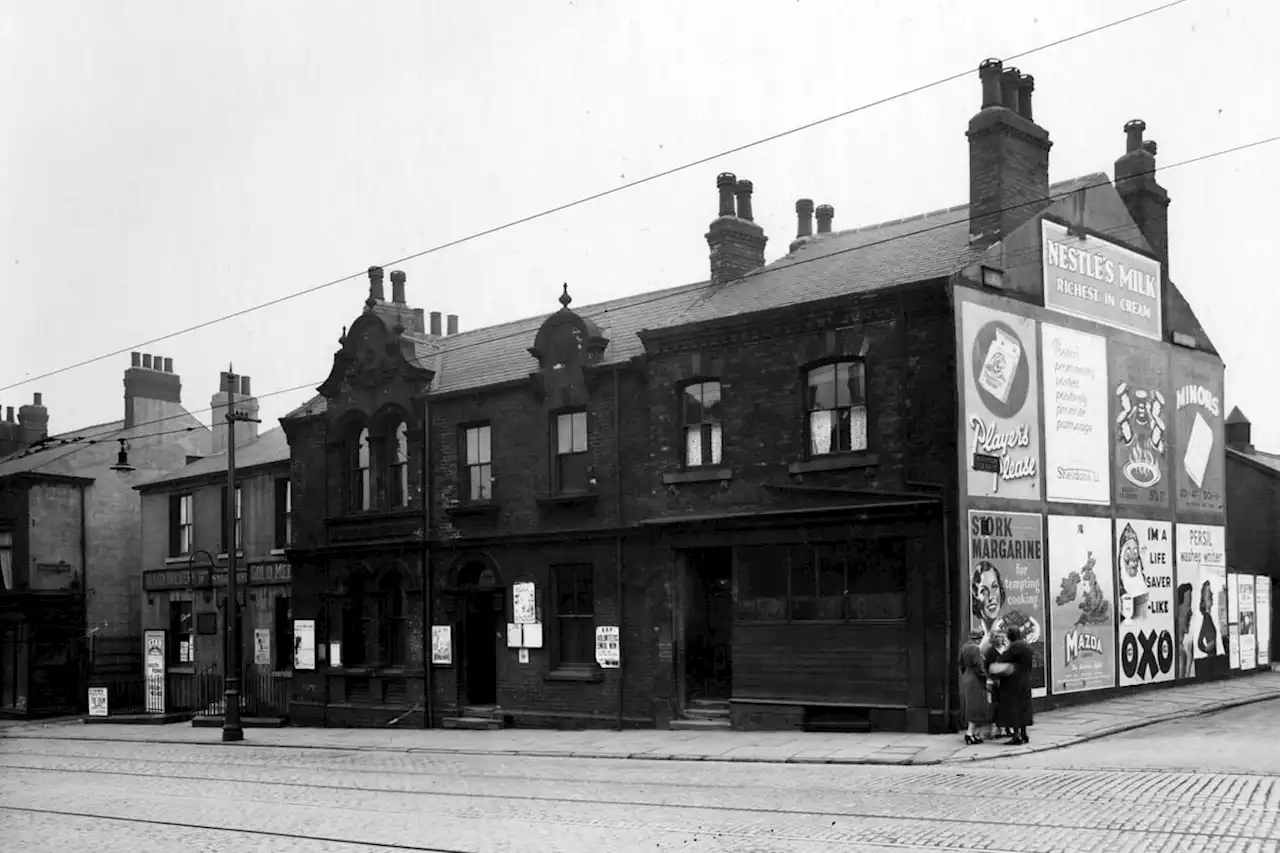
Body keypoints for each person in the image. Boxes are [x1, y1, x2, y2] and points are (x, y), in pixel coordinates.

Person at [989, 624, 1034, 745]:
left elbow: (1002, 660)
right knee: (1024, 708)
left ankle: (1016, 735)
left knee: (1013, 708)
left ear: (1011, 635)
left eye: (1008, 634)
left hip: (1013, 683)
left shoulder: (1014, 647)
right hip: (1026, 680)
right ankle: (1024, 734)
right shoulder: (1026, 646)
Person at [958, 629, 991, 745]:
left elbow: (961, 664)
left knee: (970, 705)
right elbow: (979, 666)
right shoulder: (975, 648)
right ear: (979, 638)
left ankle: (975, 734)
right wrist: (985, 677)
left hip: (966, 676)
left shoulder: (964, 647)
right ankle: (970, 733)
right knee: (976, 706)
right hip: (975, 680)